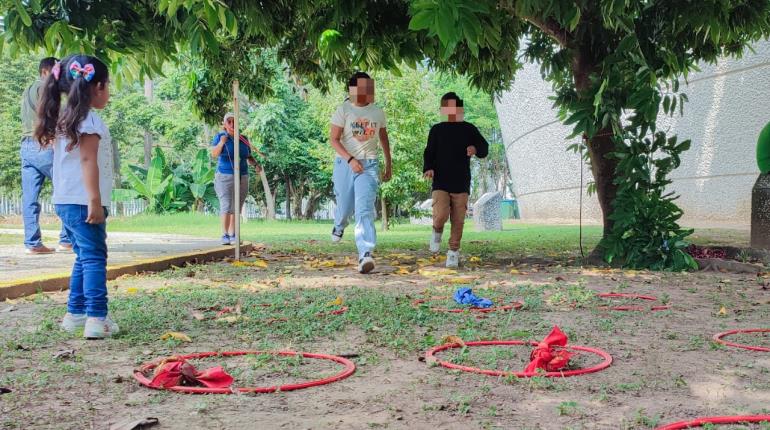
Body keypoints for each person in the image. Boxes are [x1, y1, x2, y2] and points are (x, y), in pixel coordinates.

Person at [35, 55, 118, 338]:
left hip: (65, 201)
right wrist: (95, 200)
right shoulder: (89, 120)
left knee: (83, 257)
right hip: (84, 202)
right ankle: (97, 317)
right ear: (96, 87)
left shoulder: (65, 119)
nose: (108, 91)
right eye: (107, 85)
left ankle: (75, 314)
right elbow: (87, 161)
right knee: (95, 257)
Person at [329, 72, 392, 274]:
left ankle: (365, 253)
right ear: (353, 90)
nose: (369, 92)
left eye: (370, 88)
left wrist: (388, 163)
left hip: (369, 165)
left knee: (364, 208)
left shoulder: (377, 112)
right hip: (344, 164)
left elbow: (384, 138)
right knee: (345, 206)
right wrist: (350, 159)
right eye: (365, 88)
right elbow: (334, 139)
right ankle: (339, 224)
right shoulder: (344, 109)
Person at [423, 92, 488, 268]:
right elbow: (429, 152)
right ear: (443, 109)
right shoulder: (436, 129)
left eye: (454, 107)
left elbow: (484, 148)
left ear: (460, 109)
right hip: (441, 182)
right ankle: (437, 231)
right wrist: (428, 168)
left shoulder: (469, 128)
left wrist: (475, 148)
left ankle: (453, 252)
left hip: (461, 182)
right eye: (447, 107)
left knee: (458, 220)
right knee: (441, 215)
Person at [20, 57, 71, 254]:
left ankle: (32, 244)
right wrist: (52, 137)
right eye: (57, 72)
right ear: (46, 71)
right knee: (67, 188)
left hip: (26, 145)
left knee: (30, 198)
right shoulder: (45, 87)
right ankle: (66, 240)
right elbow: (48, 113)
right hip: (43, 144)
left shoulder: (27, 89)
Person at [211, 112, 258, 245]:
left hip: (242, 175)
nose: (232, 124)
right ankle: (224, 234)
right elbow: (214, 154)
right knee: (226, 205)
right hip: (225, 175)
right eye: (229, 121)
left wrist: (256, 165)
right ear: (224, 124)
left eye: (234, 121)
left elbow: (248, 156)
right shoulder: (220, 137)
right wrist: (221, 143)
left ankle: (233, 234)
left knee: (237, 206)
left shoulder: (243, 139)